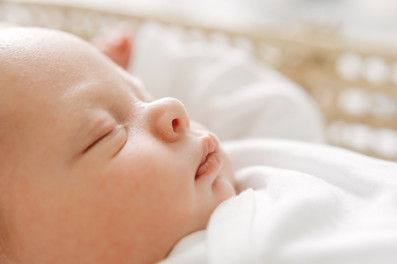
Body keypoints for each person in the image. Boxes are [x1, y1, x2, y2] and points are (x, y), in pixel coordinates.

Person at [0, 26, 236, 264]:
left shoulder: (254, 170)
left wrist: (133, 62)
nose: (172, 106)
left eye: (145, 94)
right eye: (105, 134)